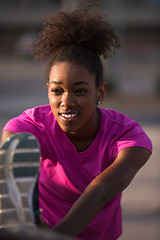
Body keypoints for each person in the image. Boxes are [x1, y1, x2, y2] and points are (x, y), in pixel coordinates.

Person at [2, 3, 152, 240]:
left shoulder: (126, 136)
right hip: (40, 230)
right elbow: (14, 141)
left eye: (80, 91)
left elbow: (99, 191)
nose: (66, 101)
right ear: (48, 91)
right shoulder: (34, 124)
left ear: (100, 93)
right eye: (57, 90)